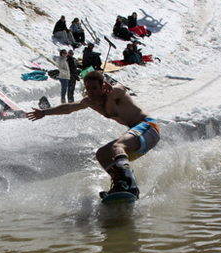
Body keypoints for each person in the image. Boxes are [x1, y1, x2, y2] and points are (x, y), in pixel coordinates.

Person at [27, 71, 159, 198]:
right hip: (138, 134)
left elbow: (122, 88)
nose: (91, 92)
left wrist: (112, 87)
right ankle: (121, 183)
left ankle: (129, 183)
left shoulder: (113, 95)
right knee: (102, 154)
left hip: (148, 127)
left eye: (95, 88)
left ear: (102, 86)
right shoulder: (89, 102)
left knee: (117, 147)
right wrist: (44, 112)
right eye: (88, 88)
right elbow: (68, 108)